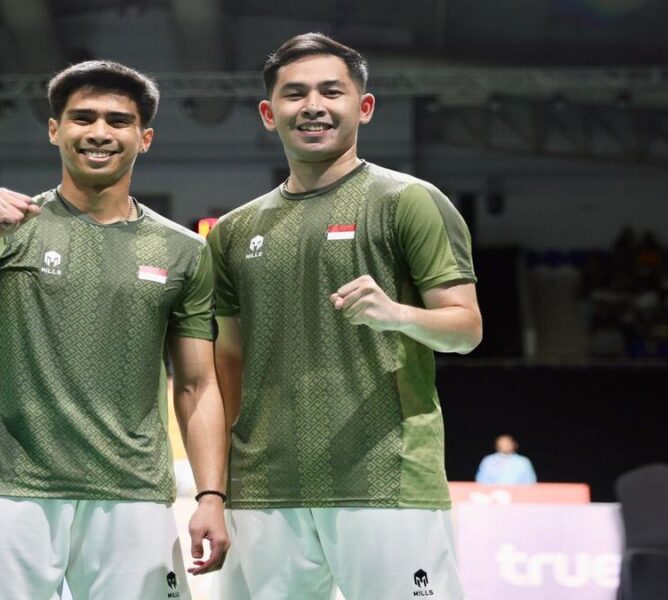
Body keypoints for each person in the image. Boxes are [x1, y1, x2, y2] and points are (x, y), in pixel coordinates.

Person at [0, 60, 228, 600]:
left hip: (132, 493)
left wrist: (210, 496)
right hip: (6, 489)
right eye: (82, 118)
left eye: (118, 121)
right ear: (54, 130)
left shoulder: (184, 251)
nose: (99, 132)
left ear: (145, 138)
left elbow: (196, 384)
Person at [208, 33, 481, 599]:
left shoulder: (408, 201)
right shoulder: (233, 231)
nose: (313, 105)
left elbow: (465, 330)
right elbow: (227, 358)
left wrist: (397, 314)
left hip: (385, 479)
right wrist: (224, 478)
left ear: (364, 106)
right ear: (268, 113)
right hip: (265, 490)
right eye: (295, 94)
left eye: (331, 91)